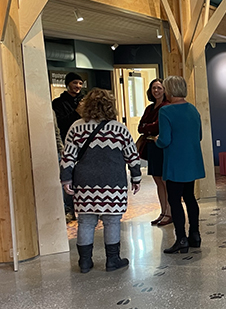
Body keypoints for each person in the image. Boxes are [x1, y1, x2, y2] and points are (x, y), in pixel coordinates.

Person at [60, 88, 141, 273]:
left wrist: (66, 179)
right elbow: (132, 155)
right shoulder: (119, 128)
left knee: (86, 222)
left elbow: (68, 157)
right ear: (111, 106)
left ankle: (85, 262)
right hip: (113, 183)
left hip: (84, 183)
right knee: (112, 221)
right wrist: (136, 177)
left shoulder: (76, 127)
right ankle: (112, 260)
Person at [156, 76, 205, 254]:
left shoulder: (166, 112)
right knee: (190, 197)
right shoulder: (193, 110)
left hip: (175, 161)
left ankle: (181, 239)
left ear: (169, 89)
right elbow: (199, 136)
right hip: (191, 160)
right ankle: (195, 234)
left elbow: (165, 140)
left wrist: (156, 141)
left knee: (174, 200)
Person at [138, 79, 172, 227]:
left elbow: (158, 126)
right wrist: (148, 127)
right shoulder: (150, 108)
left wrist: (148, 127)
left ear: (164, 90)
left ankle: (170, 212)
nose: (156, 91)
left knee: (165, 181)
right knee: (157, 181)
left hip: (161, 147)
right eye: (153, 88)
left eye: (159, 88)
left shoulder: (166, 107)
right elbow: (141, 127)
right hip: (151, 147)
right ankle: (163, 211)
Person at [52, 72, 85, 222]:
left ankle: (85, 208)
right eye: (75, 83)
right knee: (68, 176)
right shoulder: (58, 103)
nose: (78, 86)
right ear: (68, 84)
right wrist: (76, 112)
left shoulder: (85, 101)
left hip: (84, 143)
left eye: (80, 83)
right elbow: (61, 124)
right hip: (67, 143)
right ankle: (69, 209)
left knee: (84, 175)